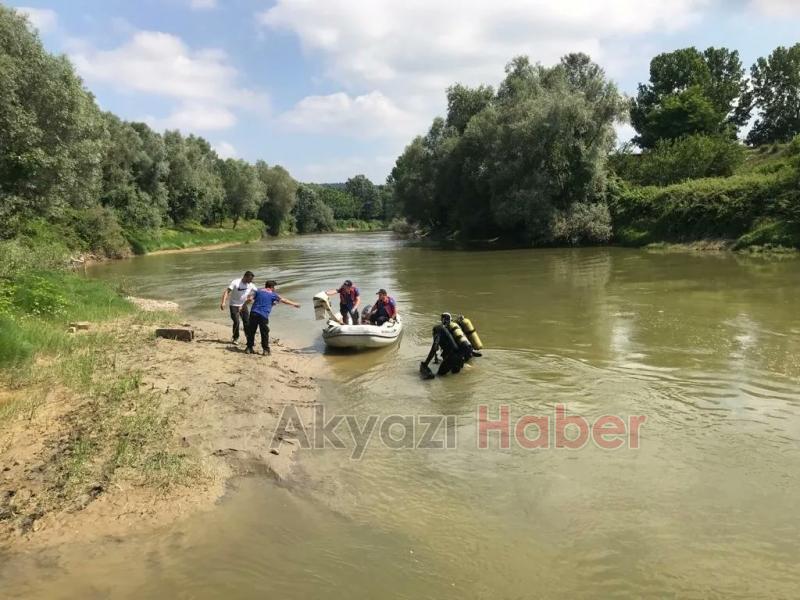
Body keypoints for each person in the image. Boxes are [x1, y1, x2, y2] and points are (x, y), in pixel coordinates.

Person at [244, 280, 300, 355]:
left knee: (251, 331)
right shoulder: (273, 294)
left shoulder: (258, 291)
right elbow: (284, 300)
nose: (274, 289)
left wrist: (243, 306)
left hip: (253, 313)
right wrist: (294, 304)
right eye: (274, 287)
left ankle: (249, 348)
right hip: (263, 315)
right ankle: (266, 350)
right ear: (272, 287)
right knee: (264, 332)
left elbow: (250, 299)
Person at [420, 313, 464, 377]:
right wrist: (436, 358)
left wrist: (426, 363)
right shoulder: (447, 330)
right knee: (455, 376)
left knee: (440, 376)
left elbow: (434, 348)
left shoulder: (437, 330)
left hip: (452, 357)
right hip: (460, 357)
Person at [220, 270, 257, 344]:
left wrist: (252, 298)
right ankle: (235, 338)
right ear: (245, 277)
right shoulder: (236, 282)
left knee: (247, 322)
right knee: (236, 322)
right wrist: (223, 302)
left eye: (251, 279)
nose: (251, 281)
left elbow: (258, 293)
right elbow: (227, 292)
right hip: (233, 305)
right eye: (250, 279)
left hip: (243, 305)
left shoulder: (251, 285)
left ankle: (248, 338)